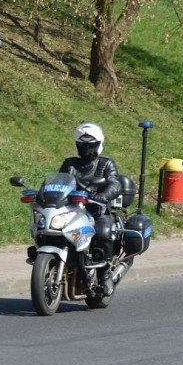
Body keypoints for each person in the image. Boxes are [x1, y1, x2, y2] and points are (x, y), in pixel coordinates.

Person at [59, 122, 122, 295]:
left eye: (91, 145)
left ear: (99, 144)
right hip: (72, 210)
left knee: (103, 231)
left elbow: (115, 184)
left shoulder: (106, 164)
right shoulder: (70, 164)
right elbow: (60, 181)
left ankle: (105, 274)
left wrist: (102, 196)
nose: (87, 148)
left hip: (97, 210)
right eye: (82, 145)